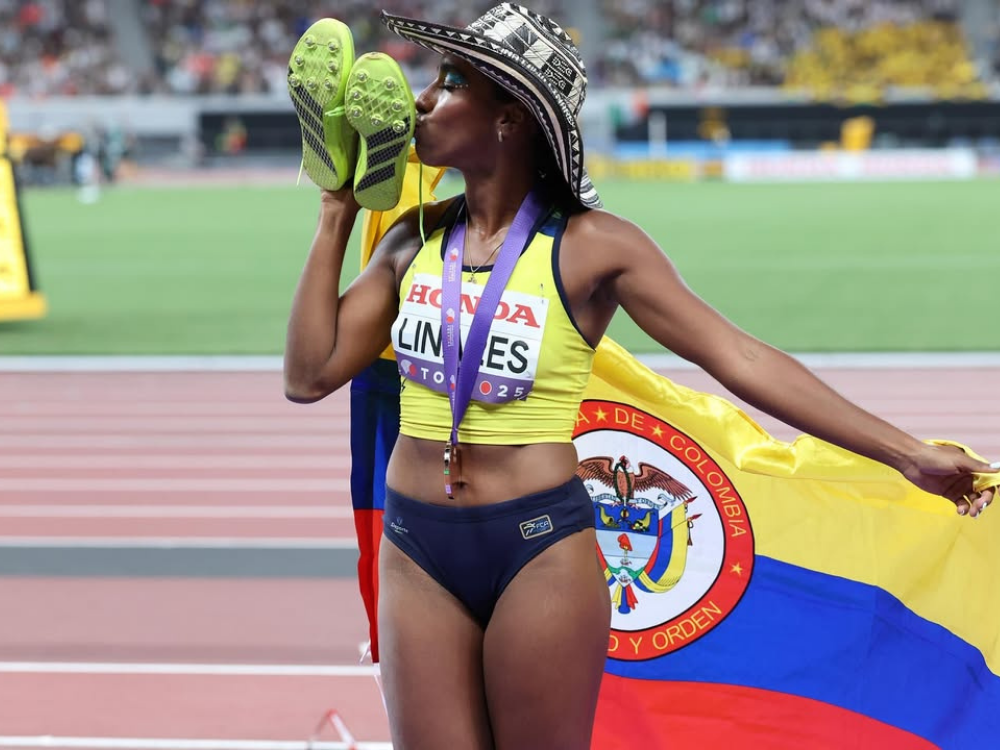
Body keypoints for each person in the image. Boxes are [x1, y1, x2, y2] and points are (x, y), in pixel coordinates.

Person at [283, 5, 996, 749]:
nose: (422, 98)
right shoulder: (411, 239)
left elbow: (738, 356)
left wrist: (907, 454)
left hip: (535, 549)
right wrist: (335, 208)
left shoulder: (594, 249)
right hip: (417, 546)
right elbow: (308, 376)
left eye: (452, 81)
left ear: (509, 120)